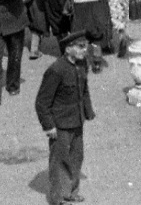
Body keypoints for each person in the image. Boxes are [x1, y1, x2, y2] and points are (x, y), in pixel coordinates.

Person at [35, 31, 95, 205]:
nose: (85, 50)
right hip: (60, 124)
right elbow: (41, 102)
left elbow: (84, 90)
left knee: (77, 156)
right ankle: (58, 198)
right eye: (80, 47)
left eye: (86, 46)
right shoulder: (56, 70)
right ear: (68, 49)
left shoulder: (82, 64)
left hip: (77, 120)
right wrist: (48, 126)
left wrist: (88, 111)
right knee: (59, 161)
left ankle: (71, 192)